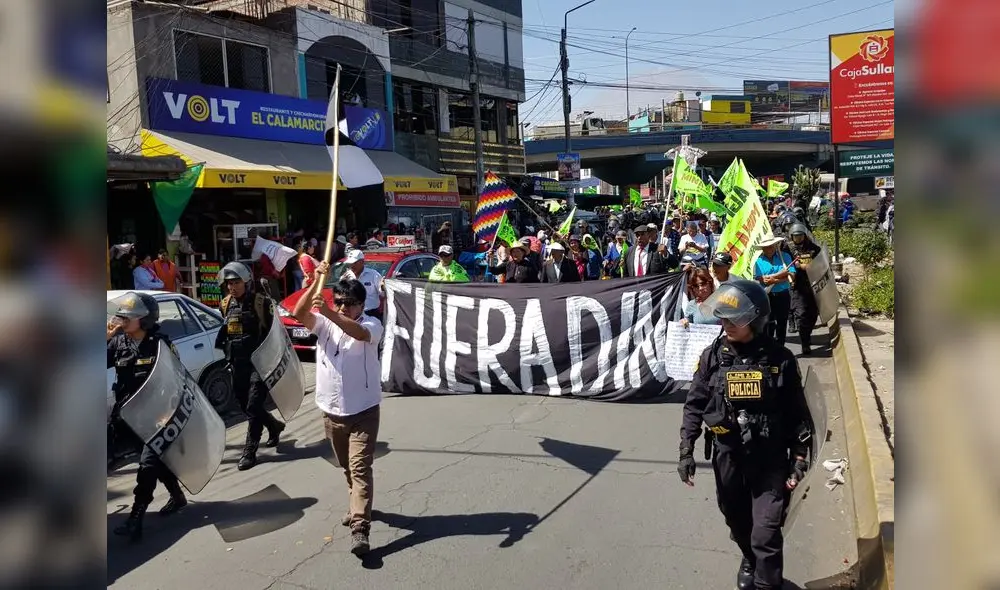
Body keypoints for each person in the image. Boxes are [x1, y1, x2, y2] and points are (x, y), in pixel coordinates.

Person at [677, 279, 812, 590]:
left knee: (766, 533)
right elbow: (694, 404)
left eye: (734, 319)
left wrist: (799, 458)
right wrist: (686, 450)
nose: (726, 325)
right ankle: (749, 558)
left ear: (755, 319)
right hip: (728, 456)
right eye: (722, 318)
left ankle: (767, 582)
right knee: (735, 518)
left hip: (770, 458)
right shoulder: (713, 357)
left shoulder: (780, 360)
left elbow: (797, 413)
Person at [292, 267, 383, 556]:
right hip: (331, 411)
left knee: (360, 468)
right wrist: (314, 283)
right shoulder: (323, 324)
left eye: (349, 303)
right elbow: (298, 312)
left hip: (363, 411)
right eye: (339, 301)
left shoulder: (372, 325)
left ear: (362, 305)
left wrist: (331, 313)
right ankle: (357, 503)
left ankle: (360, 528)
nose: (343, 307)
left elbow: (356, 332)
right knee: (347, 467)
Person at [107, 292, 187, 542]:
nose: (121, 320)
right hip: (129, 417)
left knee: (147, 465)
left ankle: (136, 519)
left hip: (157, 417)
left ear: (144, 319)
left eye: (127, 317)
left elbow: (177, 381)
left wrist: (168, 413)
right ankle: (178, 496)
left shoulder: (160, 345)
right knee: (156, 464)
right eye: (120, 316)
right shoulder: (118, 343)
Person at [215, 262, 286, 471]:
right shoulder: (225, 304)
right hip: (237, 363)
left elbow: (275, 332)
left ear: (246, 281)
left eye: (236, 282)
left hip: (260, 363)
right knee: (246, 405)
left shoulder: (261, 302)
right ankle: (274, 425)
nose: (232, 287)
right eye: (229, 283)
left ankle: (250, 451)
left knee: (254, 406)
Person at [752, 236, 796, 347]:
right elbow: (763, 280)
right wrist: (780, 275)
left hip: (783, 294)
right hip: (767, 296)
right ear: (762, 248)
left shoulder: (784, 256)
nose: (769, 249)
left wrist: (775, 279)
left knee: (782, 323)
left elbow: (792, 275)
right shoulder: (758, 261)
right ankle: (769, 348)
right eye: (766, 247)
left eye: (771, 246)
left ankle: (781, 348)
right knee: (768, 323)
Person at [786, 224, 821, 356]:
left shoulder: (814, 249)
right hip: (797, 287)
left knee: (812, 314)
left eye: (800, 235)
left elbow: (821, 264)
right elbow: (784, 261)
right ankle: (805, 343)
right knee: (801, 314)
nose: (798, 238)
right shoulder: (788, 248)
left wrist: (807, 266)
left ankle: (807, 334)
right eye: (796, 236)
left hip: (812, 286)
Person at [341, 249, 385, 323]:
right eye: (350, 263)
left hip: (371, 314)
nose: (352, 265)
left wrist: (383, 287)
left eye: (354, 263)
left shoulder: (373, 275)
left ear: (362, 262)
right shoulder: (346, 277)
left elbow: (382, 294)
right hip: (352, 315)